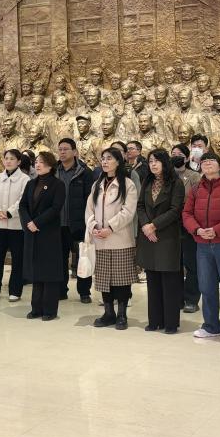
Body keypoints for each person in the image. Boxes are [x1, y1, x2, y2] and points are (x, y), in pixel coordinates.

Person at [181, 151, 220, 342]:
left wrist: (216, 231)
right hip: (202, 245)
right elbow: (186, 214)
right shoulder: (196, 189)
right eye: (204, 161)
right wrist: (197, 230)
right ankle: (210, 326)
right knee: (206, 287)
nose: (207, 164)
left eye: (211, 161)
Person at [85, 147, 139, 331]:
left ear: (118, 161)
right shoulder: (97, 184)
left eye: (109, 158)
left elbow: (128, 211)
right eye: (103, 158)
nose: (105, 161)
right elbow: (89, 209)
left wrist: (110, 227)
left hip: (120, 239)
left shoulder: (128, 184)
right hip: (100, 239)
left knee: (121, 279)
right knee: (104, 279)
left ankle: (122, 314)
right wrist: (93, 226)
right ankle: (108, 313)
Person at [137, 149, 186, 334]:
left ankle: (171, 323)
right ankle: (155, 320)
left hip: (167, 236)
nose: (153, 164)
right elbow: (140, 206)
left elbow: (175, 210)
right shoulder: (147, 181)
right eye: (150, 161)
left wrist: (154, 225)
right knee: (153, 280)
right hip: (148, 236)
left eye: (157, 161)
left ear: (165, 163)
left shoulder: (176, 183)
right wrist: (145, 226)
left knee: (169, 282)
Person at [20, 151, 67, 320]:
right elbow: (23, 205)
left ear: (50, 165)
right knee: (36, 271)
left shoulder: (58, 184)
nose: (38, 165)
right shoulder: (31, 183)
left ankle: (49, 310)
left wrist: (37, 223)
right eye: (36, 162)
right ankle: (36, 308)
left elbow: (55, 208)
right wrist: (28, 222)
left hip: (48, 232)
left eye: (42, 162)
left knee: (49, 272)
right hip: (32, 232)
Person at [55, 137, 98, 304]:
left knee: (82, 258)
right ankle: (61, 290)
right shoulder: (54, 171)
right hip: (58, 223)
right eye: (60, 149)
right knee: (59, 259)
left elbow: (91, 199)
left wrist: (89, 221)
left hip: (79, 223)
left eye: (66, 149)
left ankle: (84, 291)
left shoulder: (85, 172)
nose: (62, 152)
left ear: (75, 152)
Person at [0, 148, 31, 301]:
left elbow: (23, 200)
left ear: (19, 161)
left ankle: (15, 291)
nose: (9, 161)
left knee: (17, 259)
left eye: (12, 159)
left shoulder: (25, 179)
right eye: (6, 158)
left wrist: (10, 212)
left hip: (16, 225)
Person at [175, 135, 207, 314]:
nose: (176, 157)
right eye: (173, 154)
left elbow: (197, 200)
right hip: (170, 225)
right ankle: (176, 297)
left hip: (188, 224)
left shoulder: (194, 176)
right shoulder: (167, 176)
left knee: (191, 263)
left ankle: (191, 298)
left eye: (179, 155)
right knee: (174, 264)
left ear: (187, 158)